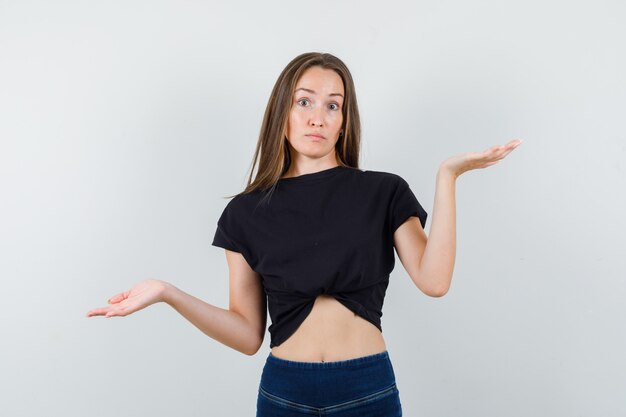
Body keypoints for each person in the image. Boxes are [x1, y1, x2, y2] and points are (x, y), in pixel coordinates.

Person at [86, 52, 522, 416]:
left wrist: (447, 177)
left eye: (333, 105)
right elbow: (247, 334)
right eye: (305, 102)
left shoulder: (383, 191)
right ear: (283, 111)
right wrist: (167, 292)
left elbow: (435, 281)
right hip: (284, 393)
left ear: (344, 120)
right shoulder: (245, 213)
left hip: (366, 387)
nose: (318, 117)